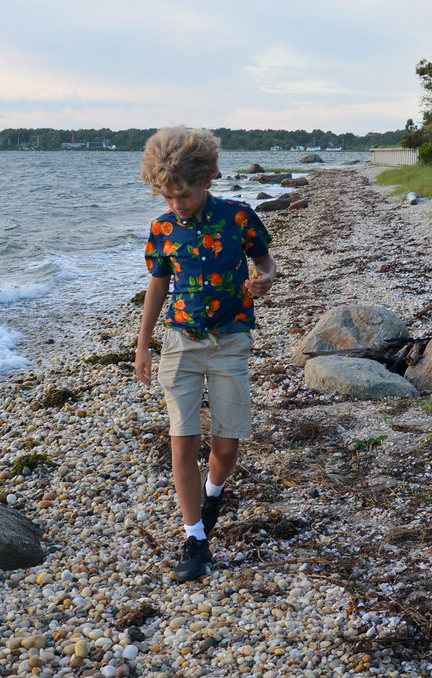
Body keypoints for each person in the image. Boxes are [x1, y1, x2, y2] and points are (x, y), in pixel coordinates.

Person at [135, 126, 276, 582]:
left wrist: (266, 279)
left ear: (208, 179)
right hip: (180, 343)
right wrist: (143, 345)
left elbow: (265, 261)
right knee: (183, 438)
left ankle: (213, 494)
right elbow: (157, 285)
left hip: (232, 340)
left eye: (184, 194)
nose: (176, 204)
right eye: (167, 195)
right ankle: (195, 537)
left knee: (228, 441)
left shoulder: (239, 217)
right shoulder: (162, 228)